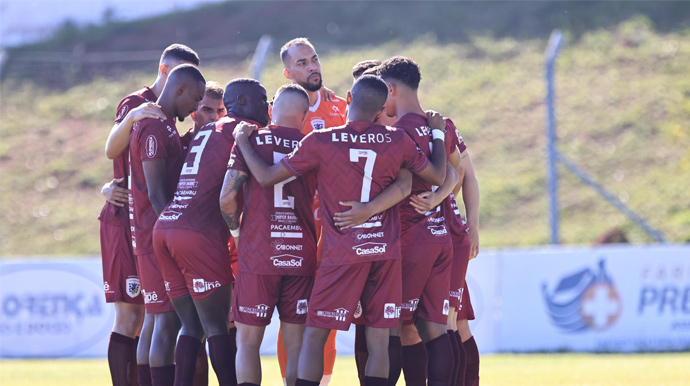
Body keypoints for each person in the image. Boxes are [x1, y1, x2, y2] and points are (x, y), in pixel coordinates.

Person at [232, 75, 448, 386]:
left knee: (314, 337)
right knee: (379, 340)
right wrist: (437, 134)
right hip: (385, 251)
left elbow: (267, 177)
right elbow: (437, 173)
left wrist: (241, 141)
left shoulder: (321, 140)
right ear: (378, 111)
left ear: (348, 99)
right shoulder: (395, 139)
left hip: (342, 252)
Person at [98, 43, 200, 386]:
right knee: (132, 315)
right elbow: (112, 150)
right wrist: (130, 117)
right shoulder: (137, 104)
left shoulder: (170, 119)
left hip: (147, 221)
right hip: (125, 220)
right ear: (167, 73)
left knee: (153, 316)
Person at [150, 79, 256, 386]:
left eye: (218, 110)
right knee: (217, 326)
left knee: (189, 327)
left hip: (165, 226)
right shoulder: (236, 131)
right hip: (198, 234)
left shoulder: (198, 136)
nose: (212, 115)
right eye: (205, 108)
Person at [220, 84, 317, 386]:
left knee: (247, 342)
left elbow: (226, 197)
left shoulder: (250, 140)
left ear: (273, 110)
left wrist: (236, 231)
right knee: (297, 345)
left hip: (258, 253)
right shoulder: (314, 144)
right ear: (305, 115)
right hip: (300, 254)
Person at [378, 56, 461, 386]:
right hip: (439, 235)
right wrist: (439, 198)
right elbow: (454, 171)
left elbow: (399, 186)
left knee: (391, 326)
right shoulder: (434, 125)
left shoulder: (398, 133)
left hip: (410, 237)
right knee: (434, 329)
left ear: (391, 89)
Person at [129, 64, 206, 385]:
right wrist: (174, 238)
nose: (196, 107)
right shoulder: (155, 127)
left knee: (159, 319)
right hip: (156, 238)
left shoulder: (167, 126)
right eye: (196, 98)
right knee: (166, 321)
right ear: (179, 89)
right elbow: (157, 192)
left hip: (157, 235)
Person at [277, 37, 348, 386]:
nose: (312, 66)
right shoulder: (280, 111)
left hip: (335, 228)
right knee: (292, 317)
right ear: (288, 72)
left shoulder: (341, 107)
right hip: (293, 225)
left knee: (327, 314)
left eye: (314, 59)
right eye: (302, 63)